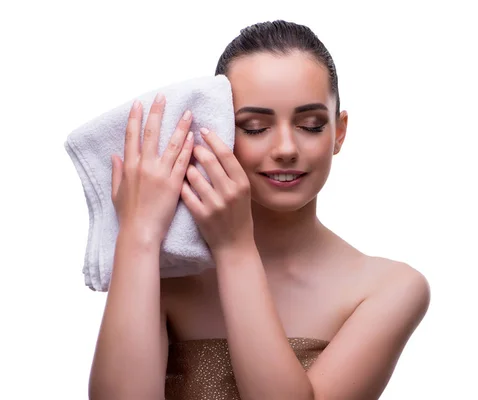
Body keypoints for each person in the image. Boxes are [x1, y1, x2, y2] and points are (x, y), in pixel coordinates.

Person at [88, 20, 430, 400]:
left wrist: (235, 250)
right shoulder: (169, 272)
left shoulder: (390, 288)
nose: (285, 147)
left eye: (311, 125)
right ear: (218, 130)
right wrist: (139, 235)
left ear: (339, 132)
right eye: (254, 127)